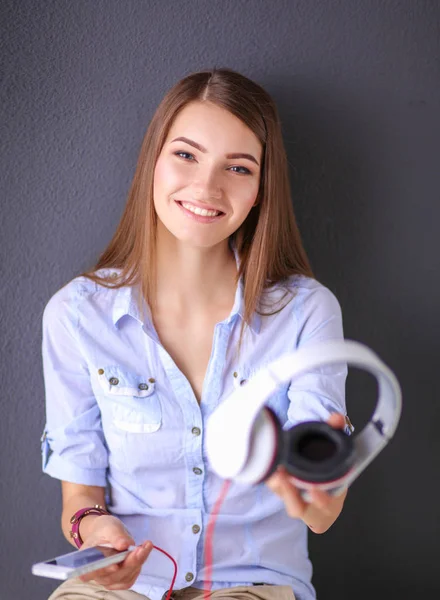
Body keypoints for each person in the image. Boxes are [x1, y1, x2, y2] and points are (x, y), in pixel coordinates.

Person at [41, 67, 352, 600]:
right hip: (124, 587)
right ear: (153, 163)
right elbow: (80, 496)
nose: (207, 187)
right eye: (186, 155)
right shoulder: (76, 315)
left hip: (255, 586)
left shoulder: (307, 312)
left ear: (260, 190)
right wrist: (94, 531)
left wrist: (320, 499)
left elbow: (321, 512)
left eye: (238, 167)